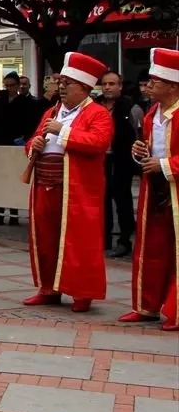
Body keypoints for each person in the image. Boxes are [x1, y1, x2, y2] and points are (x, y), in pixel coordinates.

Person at [22, 52, 114, 313]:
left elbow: (98, 143)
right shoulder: (51, 111)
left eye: (67, 83)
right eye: (60, 82)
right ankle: (48, 288)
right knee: (45, 239)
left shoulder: (98, 114)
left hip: (76, 187)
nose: (61, 88)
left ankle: (82, 293)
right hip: (45, 183)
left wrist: (63, 131)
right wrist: (34, 145)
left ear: (84, 88)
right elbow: (32, 141)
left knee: (79, 241)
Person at [121, 48, 178, 330]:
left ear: (172, 85)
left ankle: (175, 311)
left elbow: (165, 157)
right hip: (154, 191)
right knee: (150, 249)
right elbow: (148, 149)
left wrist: (166, 165)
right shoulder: (151, 112)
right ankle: (147, 306)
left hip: (175, 190)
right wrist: (138, 151)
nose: (149, 84)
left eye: (155, 80)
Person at [97, 71, 142, 258]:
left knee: (122, 200)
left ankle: (125, 240)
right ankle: (103, 238)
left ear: (120, 86)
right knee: (102, 200)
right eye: (105, 84)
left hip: (121, 160)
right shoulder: (95, 105)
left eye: (112, 84)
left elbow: (139, 136)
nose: (107, 87)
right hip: (100, 159)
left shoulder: (131, 107)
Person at [0, 71, 36, 225]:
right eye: (6, 86)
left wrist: (24, 138)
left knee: (15, 178)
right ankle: (0, 213)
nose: (9, 89)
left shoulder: (25, 102)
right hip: (0, 142)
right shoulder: (0, 100)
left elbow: (29, 122)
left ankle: (14, 214)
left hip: (16, 142)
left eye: (12, 86)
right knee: (2, 178)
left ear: (18, 85)